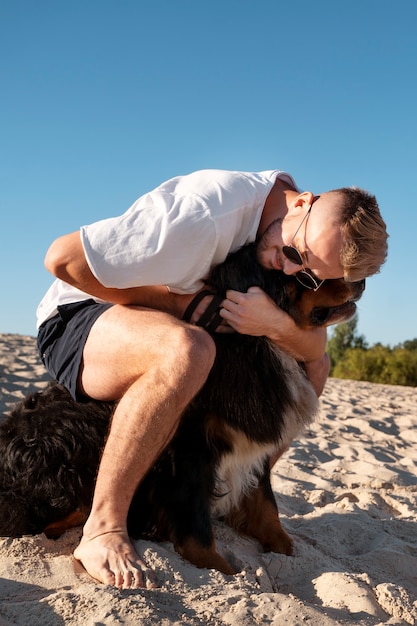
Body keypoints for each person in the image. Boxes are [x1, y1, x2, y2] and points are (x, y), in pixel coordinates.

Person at [36, 168, 388, 589]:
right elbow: (62, 260)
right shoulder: (204, 213)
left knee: (314, 366)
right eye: (296, 254)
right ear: (301, 203)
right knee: (189, 350)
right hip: (81, 311)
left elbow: (315, 352)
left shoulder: (295, 235)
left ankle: (234, 497)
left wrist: (273, 322)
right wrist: (182, 303)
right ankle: (103, 527)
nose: (291, 268)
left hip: (172, 323)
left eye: (310, 274)